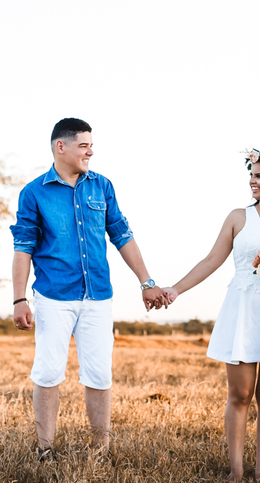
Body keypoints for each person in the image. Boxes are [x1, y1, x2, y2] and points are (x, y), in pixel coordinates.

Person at [10, 117, 169, 458]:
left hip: (97, 295)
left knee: (99, 373)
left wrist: (147, 282)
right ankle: (45, 450)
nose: (90, 152)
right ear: (61, 147)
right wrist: (20, 298)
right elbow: (23, 247)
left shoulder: (102, 186)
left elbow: (122, 235)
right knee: (49, 371)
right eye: (84, 145)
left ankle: (101, 450)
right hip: (53, 295)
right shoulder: (34, 192)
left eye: (91, 145)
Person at [165, 149, 260, 482]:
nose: (252, 181)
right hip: (243, 309)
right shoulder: (238, 217)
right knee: (240, 394)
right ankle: (236, 471)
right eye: (252, 175)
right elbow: (210, 261)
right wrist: (175, 289)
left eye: (259, 176)